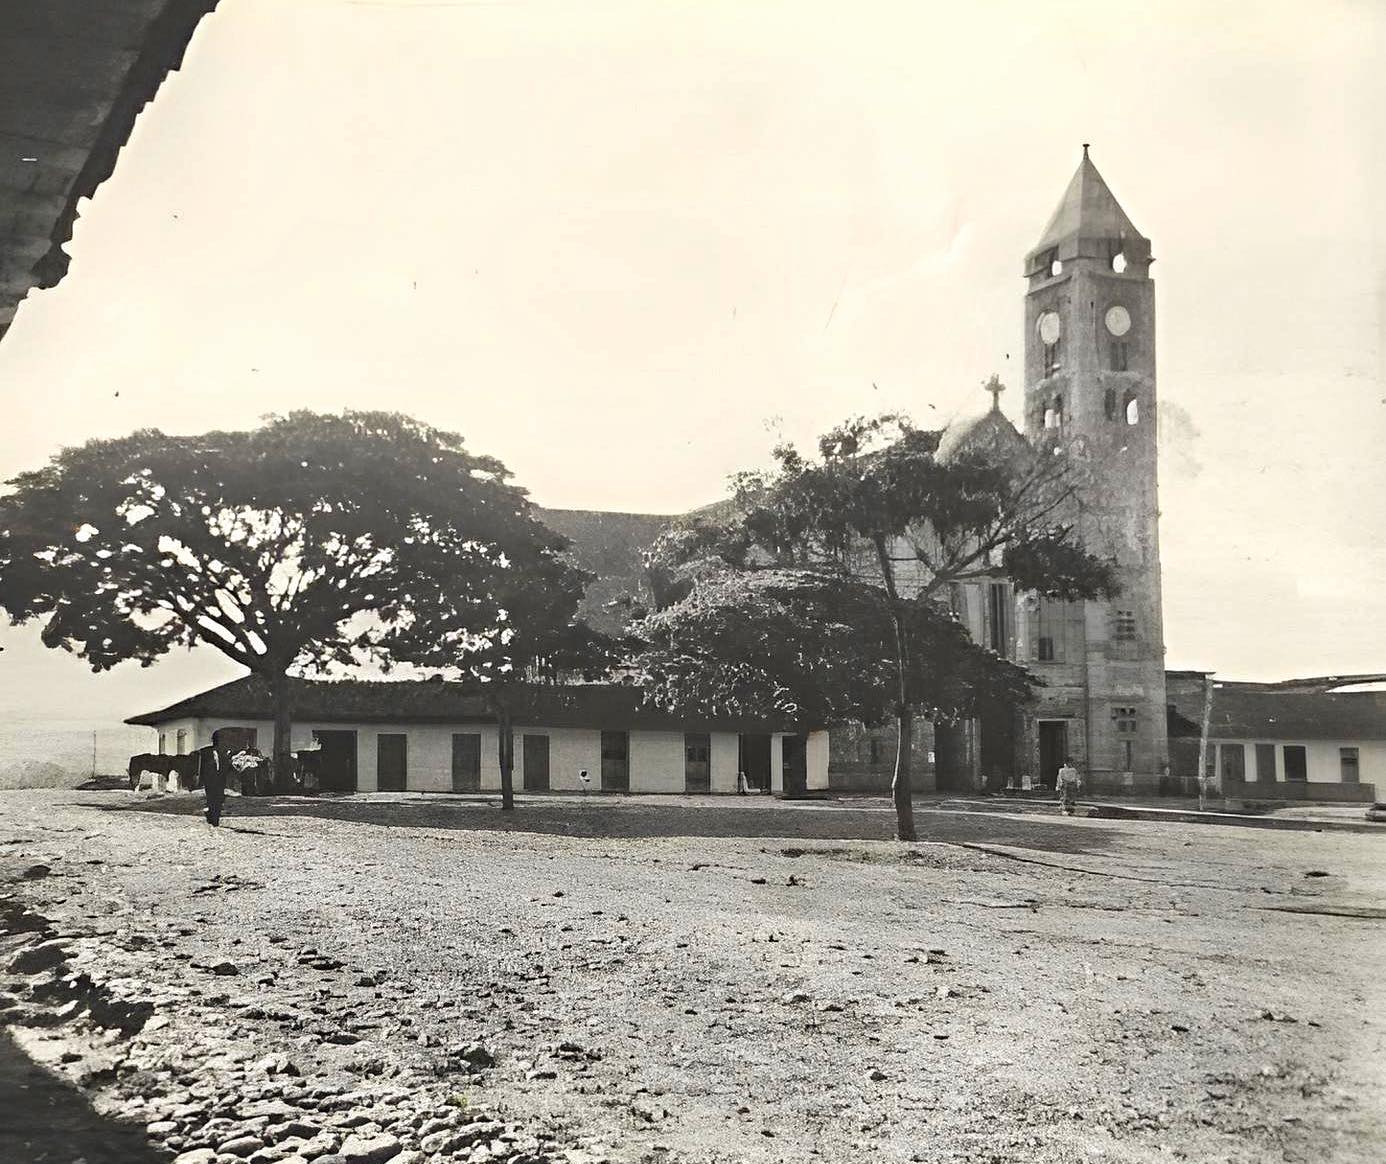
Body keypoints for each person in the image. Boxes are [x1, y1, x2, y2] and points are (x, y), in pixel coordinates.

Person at [199, 739, 228, 827]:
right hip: (209, 781)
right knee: (211, 800)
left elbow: (225, 767)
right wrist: (201, 780)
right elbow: (201, 767)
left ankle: (215, 820)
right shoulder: (205, 753)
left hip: (220, 781)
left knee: (219, 800)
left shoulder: (222, 753)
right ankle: (212, 817)